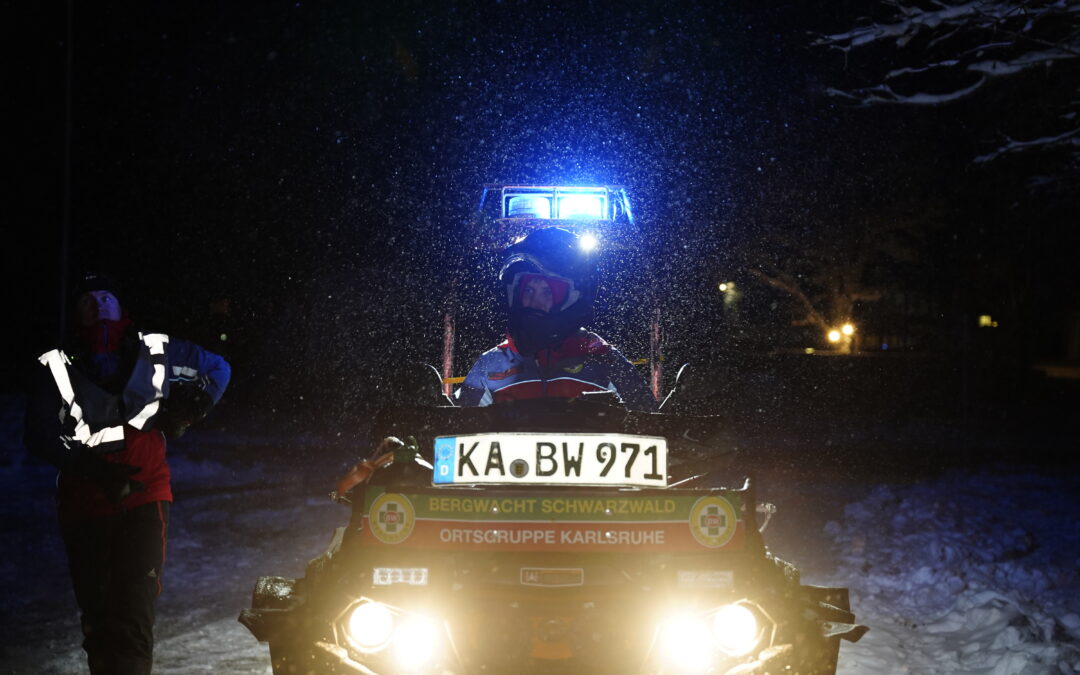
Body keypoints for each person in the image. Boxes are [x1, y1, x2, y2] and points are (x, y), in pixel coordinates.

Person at [24, 272, 231, 675]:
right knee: (99, 617)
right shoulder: (55, 363)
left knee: (134, 609)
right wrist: (96, 473)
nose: (99, 304)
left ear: (122, 307)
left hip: (145, 496)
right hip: (84, 504)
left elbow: (218, 368)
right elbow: (37, 436)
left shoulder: (154, 349)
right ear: (76, 313)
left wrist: (188, 411)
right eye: (89, 299)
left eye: (107, 297)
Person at [454, 227, 657, 411]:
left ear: (571, 298)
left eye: (547, 292)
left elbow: (650, 429)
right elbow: (458, 433)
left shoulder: (604, 360)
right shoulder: (491, 364)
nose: (534, 301)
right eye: (529, 290)